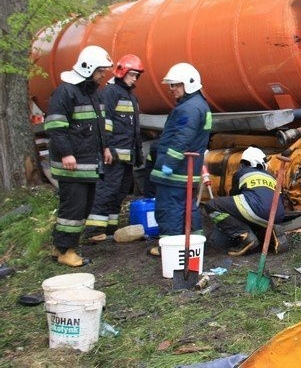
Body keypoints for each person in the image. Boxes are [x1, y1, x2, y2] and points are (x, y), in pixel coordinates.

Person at [44, 45, 114, 267]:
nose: (103, 75)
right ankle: (66, 251)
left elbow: (99, 126)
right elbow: (55, 126)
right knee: (73, 211)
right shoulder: (66, 92)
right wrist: (66, 153)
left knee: (80, 208)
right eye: (100, 71)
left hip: (87, 163)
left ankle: (60, 246)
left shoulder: (91, 93)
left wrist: (105, 147)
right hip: (73, 164)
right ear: (88, 68)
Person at [148, 63, 212, 257]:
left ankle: (170, 247)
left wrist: (168, 164)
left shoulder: (189, 108)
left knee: (169, 208)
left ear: (189, 84)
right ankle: (194, 243)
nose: (172, 89)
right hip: (187, 169)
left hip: (177, 171)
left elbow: (181, 138)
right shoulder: (197, 105)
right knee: (187, 207)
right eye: (171, 85)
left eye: (176, 84)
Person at [84, 55, 144, 243]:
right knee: (106, 189)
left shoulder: (130, 96)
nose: (134, 79)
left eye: (137, 76)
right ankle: (93, 231)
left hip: (126, 155)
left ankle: (110, 228)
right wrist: (106, 148)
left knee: (120, 191)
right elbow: (104, 123)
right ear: (121, 72)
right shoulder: (111, 93)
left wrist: (138, 153)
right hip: (113, 154)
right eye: (132, 75)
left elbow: (134, 129)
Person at [203, 147, 285, 256]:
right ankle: (269, 232)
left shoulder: (242, 173)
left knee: (212, 205)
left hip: (255, 209)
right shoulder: (272, 177)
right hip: (278, 215)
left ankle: (244, 236)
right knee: (251, 210)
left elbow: (234, 197)